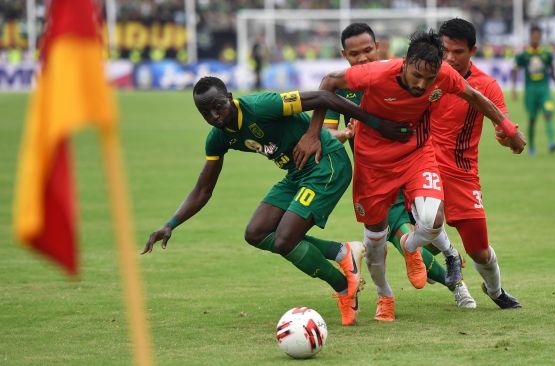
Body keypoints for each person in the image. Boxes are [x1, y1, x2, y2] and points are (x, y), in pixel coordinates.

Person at [141, 76, 411, 326]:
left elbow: (323, 97)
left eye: (218, 106)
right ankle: (342, 260)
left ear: (230, 97)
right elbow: (203, 190)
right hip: (296, 172)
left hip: (325, 162)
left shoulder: (262, 105)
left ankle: (343, 281)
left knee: (284, 240)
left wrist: (376, 125)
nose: (214, 116)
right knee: (256, 233)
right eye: (206, 112)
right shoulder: (218, 138)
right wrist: (171, 224)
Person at [312, 29, 526, 321]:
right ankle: (385, 295)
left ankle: (411, 247)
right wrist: (314, 134)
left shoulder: (443, 75)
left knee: (432, 220)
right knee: (374, 243)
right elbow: (328, 83)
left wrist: (510, 129)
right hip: (373, 166)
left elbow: (475, 96)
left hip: (416, 155)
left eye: (429, 78)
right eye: (417, 76)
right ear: (405, 63)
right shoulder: (375, 74)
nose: (422, 84)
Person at [425, 18, 523, 308]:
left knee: (479, 250)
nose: (450, 58)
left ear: (473, 50)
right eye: (445, 51)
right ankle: (448, 261)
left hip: (463, 173)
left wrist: (506, 137)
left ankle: (495, 291)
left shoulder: (486, 86)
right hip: (423, 165)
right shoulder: (426, 74)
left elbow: (501, 126)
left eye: (458, 52)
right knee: (428, 222)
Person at [511, 25, 555, 155]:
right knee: (532, 119)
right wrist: (514, 89)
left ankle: (551, 142)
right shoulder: (524, 55)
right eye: (533, 36)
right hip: (530, 92)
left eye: (538, 37)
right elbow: (514, 70)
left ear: (540, 37)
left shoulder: (546, 54)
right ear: (530, 37)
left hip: (544, 91)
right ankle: (531, 147)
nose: (536, 39)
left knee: (548, 114)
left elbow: (552, 72)